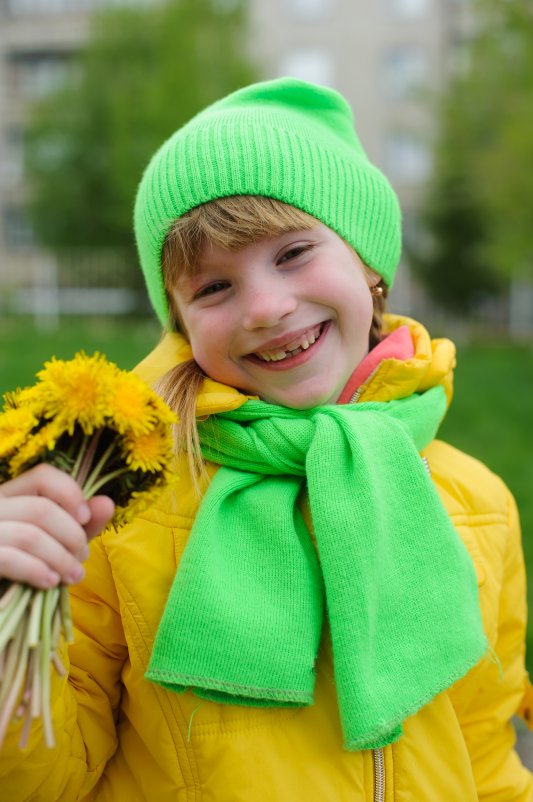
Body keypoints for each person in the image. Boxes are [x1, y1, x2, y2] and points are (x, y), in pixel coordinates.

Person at [0, 77, 532, 802]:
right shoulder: (114, 507)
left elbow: (485, 753)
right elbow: (44, 781)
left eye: (292, 253)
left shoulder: (477, 501)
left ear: (369, 264)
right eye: (212, 289)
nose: (265, 307)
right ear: (180, 325)